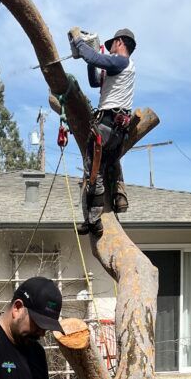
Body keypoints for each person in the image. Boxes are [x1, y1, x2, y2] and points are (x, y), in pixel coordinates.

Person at [68, 27, 137, 237]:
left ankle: (94, 220)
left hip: (108, 125)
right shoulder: (115, 68)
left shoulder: (122, 62)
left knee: (93, 171)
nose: (111, 49)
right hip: (117, 128)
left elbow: (97, 59)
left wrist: (80, 42)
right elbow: (94, 80)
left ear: (120, 42)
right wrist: (89, 56)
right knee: (100, 169)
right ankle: (108, 206)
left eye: (112, 44)